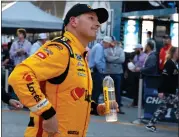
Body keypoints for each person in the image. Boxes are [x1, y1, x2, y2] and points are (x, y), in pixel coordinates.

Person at [8, 4, 118, 137]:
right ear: (73, 21)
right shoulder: (61, 50)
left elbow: (72, 96)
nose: (97, 24)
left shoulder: (79, 55)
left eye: (98, 21)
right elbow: (20, 75)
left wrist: (96, 108)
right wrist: (47, 112)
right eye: (91, 18)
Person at [146, 47, 179, 132]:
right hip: (169, 91)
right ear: (174, 53)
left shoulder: (175, 64)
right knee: (173, 107)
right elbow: (164, 78)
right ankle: (150, 124)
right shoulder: (169, 63)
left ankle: (150, 124)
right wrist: (160, 90)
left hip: (173, 90)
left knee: (162, 108)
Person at [104, 36, 125, 114]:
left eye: (113, 41)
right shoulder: (106, 49)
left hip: (118, 73)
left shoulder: (120, 50)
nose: (112, 43)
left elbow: (122, 59)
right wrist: (116, 58)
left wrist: (112, 59)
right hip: (109, 72)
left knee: (118, 91)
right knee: (109, 91)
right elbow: (107, 58)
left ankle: (118, 107)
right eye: (111, 41)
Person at [89, 36, 112, 104]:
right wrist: (101, 70)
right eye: (109, 44)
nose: (108, 46)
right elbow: (97, 61)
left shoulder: (98, 46)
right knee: (96, 90)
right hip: (96, 71)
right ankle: (94, 106)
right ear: (106, 43)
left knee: (95, 89)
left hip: (95, 70)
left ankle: (93, 105)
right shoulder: (99, 48)